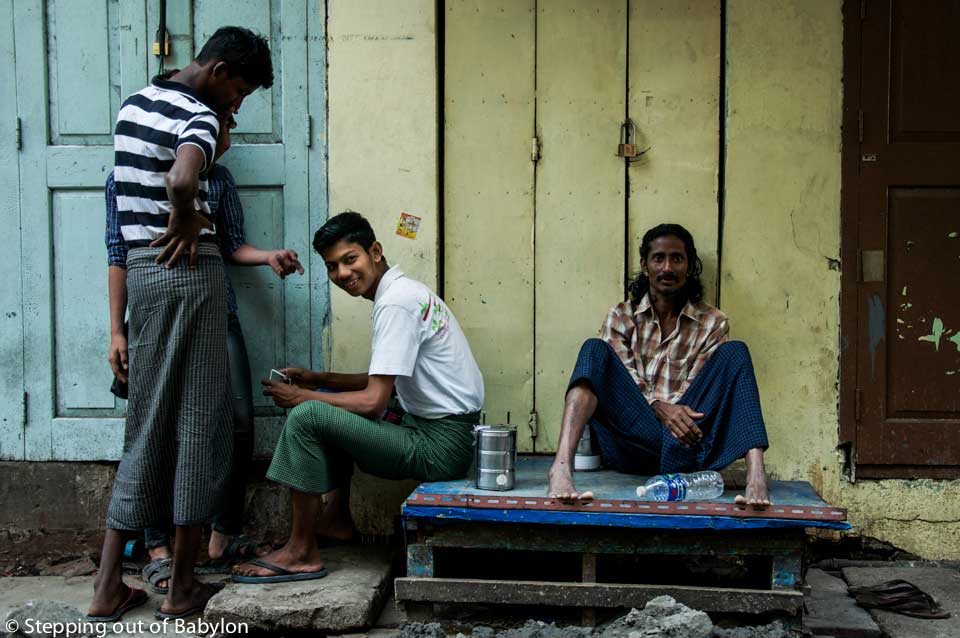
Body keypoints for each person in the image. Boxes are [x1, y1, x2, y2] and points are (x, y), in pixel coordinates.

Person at [88, 27, 274, 622]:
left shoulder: (135, 105)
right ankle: (182, 590)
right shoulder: (197, 116)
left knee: (145, 424)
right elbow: (181, 179)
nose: (236, 106)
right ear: (218, 71)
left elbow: (129, 206)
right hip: (187, 274)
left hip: (144, 275)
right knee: (200, 426)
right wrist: (189, 216)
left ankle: (106, 587)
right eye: (239, 92)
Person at [104, 117, 304, 593]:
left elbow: (232, 245)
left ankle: (217, 540)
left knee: (234, 422)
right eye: (225, 120)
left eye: (232, 123)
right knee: (157, 428)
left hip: (218, 314)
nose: (226, 131)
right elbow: (118, 252)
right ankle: (157, 549)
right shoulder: (125, 179)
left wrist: (268, 255)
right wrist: (117, 331)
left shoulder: (219, 179)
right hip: (157, 317)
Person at [232, 211, 484, 583]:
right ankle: (335, 521)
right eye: (333, 267)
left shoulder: (395, 303)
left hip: (440, 445)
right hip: (442, 432)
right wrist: (317, 379)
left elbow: (373, 401)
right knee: (324, 398)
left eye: (351, 260)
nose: (343, 274)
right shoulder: (400, 293)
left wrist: (302, 397)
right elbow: (383, 377)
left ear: (375, 251)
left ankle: (300, 550)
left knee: (308, 415)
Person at [546, 223, 772, 509]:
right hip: (632, 445)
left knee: (736, 353)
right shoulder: (621, 317)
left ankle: (756, 475)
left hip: (687, 443)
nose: (668, 267)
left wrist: (672, 412)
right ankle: (561, 468)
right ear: (645, 265)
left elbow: (701, 394)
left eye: (677, 258)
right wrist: (657, 406)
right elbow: (625, 380)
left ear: (689, 267)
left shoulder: (713, 322)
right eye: (659, 258)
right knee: (594, 351)